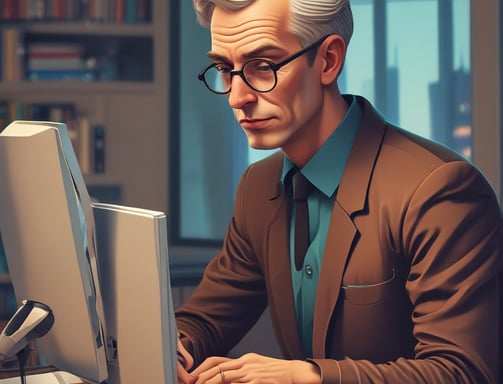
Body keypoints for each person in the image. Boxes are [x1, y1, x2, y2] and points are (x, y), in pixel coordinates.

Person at [175, 0, 503, 383]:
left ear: (329, 60)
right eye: (224, 70)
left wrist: (307, 378)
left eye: (263, 67)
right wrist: (177, 347)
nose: (237, 97)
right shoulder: (257, 188)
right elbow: (206, 318)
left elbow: (462, 372)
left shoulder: (439, 191)